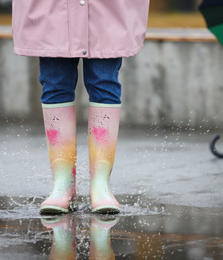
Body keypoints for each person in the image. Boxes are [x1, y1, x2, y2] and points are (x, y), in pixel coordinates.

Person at [11, 1, 150, 214]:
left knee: (105, 83)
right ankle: (63, 184)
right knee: (55, 83)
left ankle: (101, 184)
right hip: (53, 9)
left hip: (106, 9)